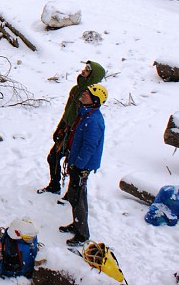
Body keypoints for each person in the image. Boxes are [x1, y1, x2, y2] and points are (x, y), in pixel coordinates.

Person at [38, 60, 106, 195]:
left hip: (77, 134)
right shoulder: (76, 90)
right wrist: (60, 127)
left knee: (73, 163)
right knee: (53, 157)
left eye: (87, 70)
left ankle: (71, 194)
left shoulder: (92, 95)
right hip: (67, 130)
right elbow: (68, 110)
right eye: (84, 69)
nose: (83, 71)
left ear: (93, 75)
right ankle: (55, 185)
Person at [59, 83, 107, 246]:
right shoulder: (85, 114)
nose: (83, 94)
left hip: (82, 165)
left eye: (87, 93)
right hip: (78, 162)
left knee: (78, 196)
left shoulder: (93, 120)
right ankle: (77, 224)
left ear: (95, 99)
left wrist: (78, 165)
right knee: (74, 194)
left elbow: (89, 146)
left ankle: (82, 234)